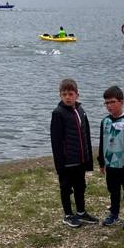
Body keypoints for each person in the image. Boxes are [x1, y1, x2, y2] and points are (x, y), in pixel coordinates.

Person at [50, 78, 97, 227]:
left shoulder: (81, 111)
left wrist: (88, 159)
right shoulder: (58, 114)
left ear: (77, 94)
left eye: (70, 94)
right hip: (66, 160)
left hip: (80, 159)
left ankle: (81, 212)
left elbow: (86, 135)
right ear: (60, 96)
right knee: (65, 187)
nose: (68, 97)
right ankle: (68, 215)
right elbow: (55, 142)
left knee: (80, 186)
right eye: (64, 94)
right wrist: (59, 165)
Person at [98, 85, 124, 230]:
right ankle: (114, 214)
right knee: (113, 191)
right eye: (107, 103)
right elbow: (102, 141)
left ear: (121, 102)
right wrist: (101, 161)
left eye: (112, 102)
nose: (109, 106)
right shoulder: (105, 121)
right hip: (110, 164)